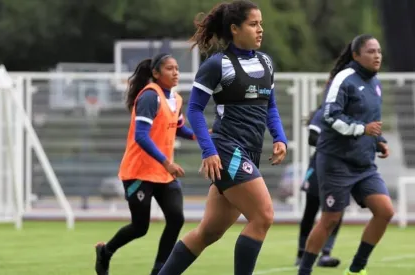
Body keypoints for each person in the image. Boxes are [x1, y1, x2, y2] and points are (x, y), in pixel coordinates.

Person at [158, 1, 288, 274]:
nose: (260, 29)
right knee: (263, 216)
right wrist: (209, 150)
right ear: (234, 29)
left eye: (261, 23)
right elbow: (193, 109)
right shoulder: (218, 65)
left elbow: (271, 106)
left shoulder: (265, 62)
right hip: (228, 151)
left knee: (208, 232)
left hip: (249, 153)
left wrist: (280, 137)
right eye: (253, 24)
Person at [298, 34, 394, 275]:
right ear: (356, 55)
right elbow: (330, 115)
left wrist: (379, 140)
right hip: (336, 162)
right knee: (329, 220)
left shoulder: (375, 83)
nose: (377, 56)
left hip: (363, 164)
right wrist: (363, 129)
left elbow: (370, 120)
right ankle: (304, 271)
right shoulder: (344, 79)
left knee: (385, 212)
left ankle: (356, 269)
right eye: (371, 51)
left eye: (379, 51)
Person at [95, 53, 197, 275]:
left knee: (176, 218)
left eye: (177, 68)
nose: (175, 72)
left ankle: (159, 271)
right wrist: (167, 162)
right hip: (139, 173)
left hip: (163, 173)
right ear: (156, 74)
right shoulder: (151, 97)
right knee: (140, 227)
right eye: (169, 68)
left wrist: (199, 135)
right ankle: (106, 251)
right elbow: (141, 136)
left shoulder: (176, 99)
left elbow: (178, 128)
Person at [295, 105, 342, 268]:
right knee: (311, 209)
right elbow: (312, 138)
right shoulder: (326, 111)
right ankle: (301, 253)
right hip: (319, 167)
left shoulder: (351, 112)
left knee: (336, 212)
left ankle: (326, 253)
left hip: (341, 169)